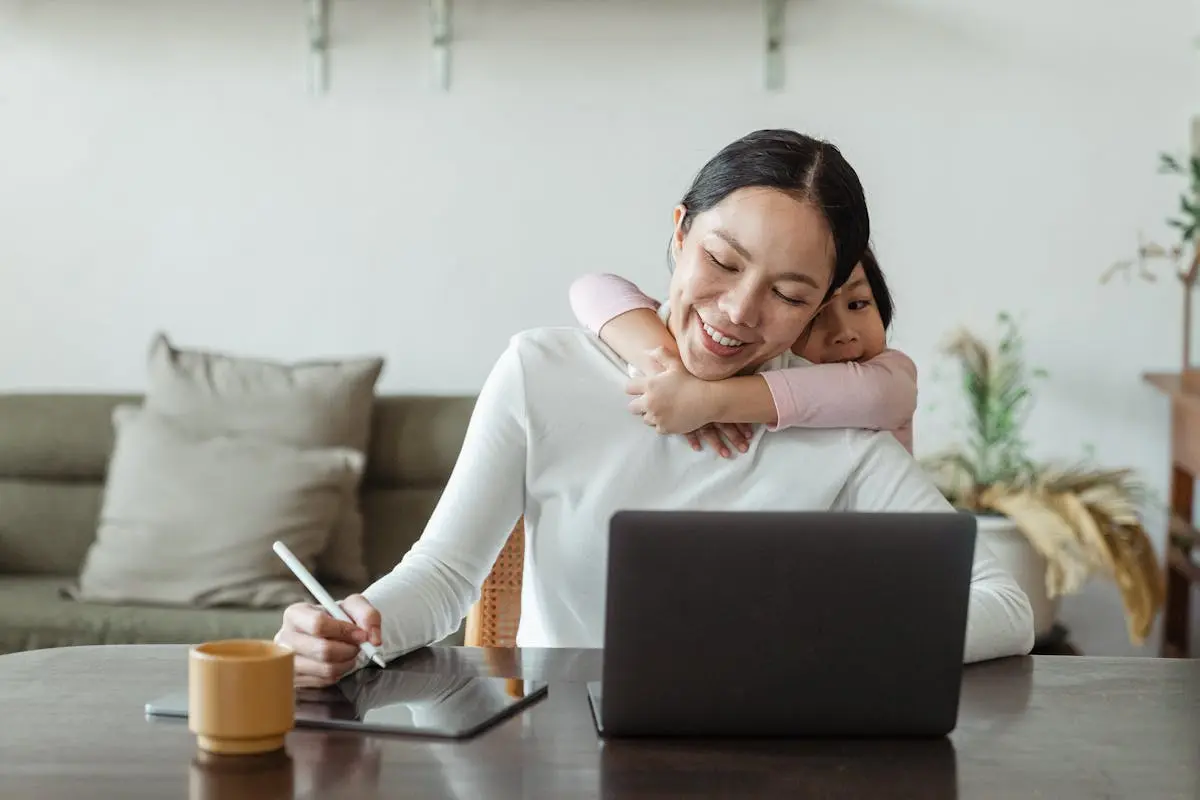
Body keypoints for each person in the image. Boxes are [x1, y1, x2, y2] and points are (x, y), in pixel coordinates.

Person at [275, 128, 1035, 687]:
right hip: (558, 758)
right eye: (722, 262)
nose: (738, 311)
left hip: (768, 763)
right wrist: (348, 625)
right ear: (678, 234)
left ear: (821, 307)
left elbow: (1005, 605)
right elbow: (443, 578)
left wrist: (840, 639)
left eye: (789, 294)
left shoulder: (838, 429)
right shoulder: (543, 373)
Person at [567, 246, 917, 456]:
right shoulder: (743, 359)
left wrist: (707, 399)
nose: (844, 334)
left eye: (859, 304)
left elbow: (876, 395)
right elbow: (593, 289)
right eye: (815, 316)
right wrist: (668, 370)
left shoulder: (889, 375)